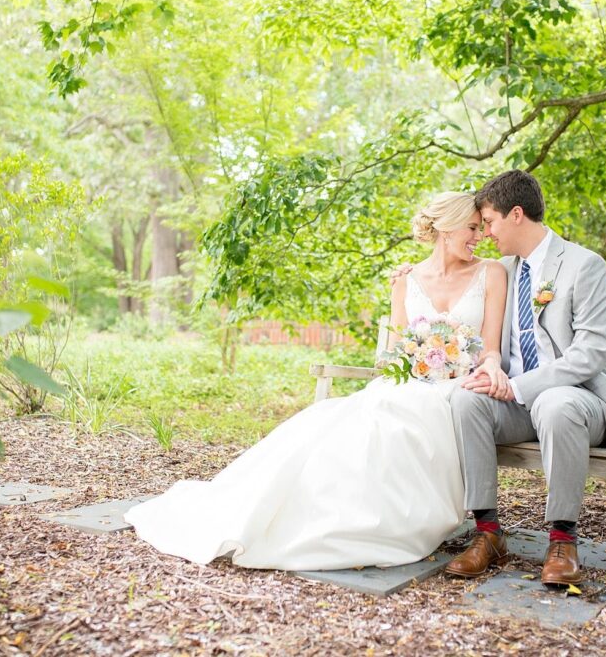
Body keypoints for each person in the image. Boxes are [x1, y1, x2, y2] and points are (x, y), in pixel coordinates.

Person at [124, 192, 510, 570]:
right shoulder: (407, 280)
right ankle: (319, 512)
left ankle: (378, 519)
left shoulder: (491, 272)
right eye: (473, 228)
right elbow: (394, 351)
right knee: (356, 420)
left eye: (481, 229)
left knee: (402, 417)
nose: (480, 237)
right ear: (447, 228)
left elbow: (489, 347)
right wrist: (420, 358)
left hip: (461, 387)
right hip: (411, 382)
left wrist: (473, 365)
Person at [432, 169, 606, 585]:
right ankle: (488, 534)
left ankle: (563, 540)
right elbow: (452, 274)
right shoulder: (500, 270)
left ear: (516, 215)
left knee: (555, 402)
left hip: (579, 401)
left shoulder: (584, 265)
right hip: (517, 404)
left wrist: (519, 385)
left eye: (490, 222)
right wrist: (413, 272)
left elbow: (589, 354)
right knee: (466, 399)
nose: (486, 233)